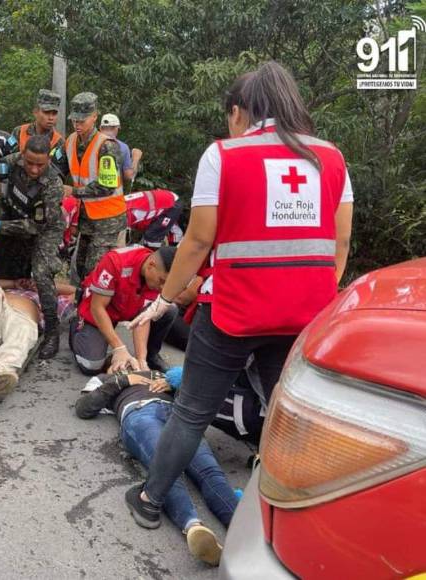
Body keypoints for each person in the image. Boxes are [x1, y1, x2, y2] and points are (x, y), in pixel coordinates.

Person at [124, 61, 354, 527]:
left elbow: (197, 241)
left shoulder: (224, 155)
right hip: (302, 315)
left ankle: (150, 500)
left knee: (190, 412)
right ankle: (302, 513)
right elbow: (342, 240)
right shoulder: (331, 157)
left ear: (239, 112)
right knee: (289, 414)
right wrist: (318, 293)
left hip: (233, 311)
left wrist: (167, 297)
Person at [75, 370, 238, 566]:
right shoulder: (105, 378)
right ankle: (194, 526)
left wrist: (175, 386)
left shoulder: (163, 372)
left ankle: (240, 529)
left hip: (180, 415)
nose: (129, 358)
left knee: (209, 471)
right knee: (165, 468)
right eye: (120, 358)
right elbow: (83, 408)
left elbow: (196, 388)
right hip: (140, 411)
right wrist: (123, 380)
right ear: (111, 365)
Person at [0, 135, 66, 359]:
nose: (33, 169)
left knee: (41, 273)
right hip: (12, 219)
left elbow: (39, 225)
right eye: (29, 162)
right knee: (5, 272)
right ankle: (3, 323)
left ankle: (52, 331)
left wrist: (1, 225)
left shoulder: (53, 183)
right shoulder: (9, 163)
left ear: (47, 161)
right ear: (23, 155)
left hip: (43, 229)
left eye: (39, 164)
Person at [70, 245, 178, 376]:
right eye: (161, 281)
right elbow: (97, 307)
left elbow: (144, 318)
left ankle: (151, 355)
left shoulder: (154, 276)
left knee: (168, 309)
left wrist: (141, 361)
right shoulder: (115, 261)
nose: (162, 288)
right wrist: (119, 347)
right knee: (91, 365)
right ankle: (77, 329)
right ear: (151, 265)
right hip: (99, 311)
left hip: (128, 307)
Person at [0, 279, 76, 398]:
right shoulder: (8, 289)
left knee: (24, 331)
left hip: (22, 318)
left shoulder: (58, 300)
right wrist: (14, 283)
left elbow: (77, 291)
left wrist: (43, 285)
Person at [65, 92, 126, 280]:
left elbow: (107, 186)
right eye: (74, 120)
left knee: (95, 270)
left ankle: (94, 307)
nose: (77, 125)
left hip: (108, 219)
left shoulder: (107, 146)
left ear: (94, 117)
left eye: (82, 120)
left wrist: (73, 192)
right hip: (87, 218)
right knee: (81, 267)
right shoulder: (70, 142)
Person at [8, 89, 67, 174]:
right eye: (46, 112)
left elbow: (56, 172)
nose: (51, 118)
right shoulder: (19, 132)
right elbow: (7, 160)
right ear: (35, 112)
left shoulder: (59, 142)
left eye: (54, 113)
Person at [99, 113, 142, 187]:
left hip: (88, 195)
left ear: (100, 128)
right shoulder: (123, 147)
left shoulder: (88, 143)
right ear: (117, 128)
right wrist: (136, 158)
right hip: (113, 195)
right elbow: (128, 176)